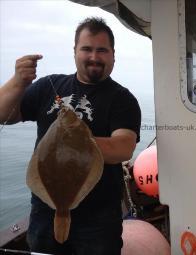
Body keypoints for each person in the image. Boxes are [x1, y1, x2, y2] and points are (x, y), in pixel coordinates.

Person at [0, 17, 141, 255]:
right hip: (44, 211)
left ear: (113, 54)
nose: (94, 57)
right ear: (75, 51)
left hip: (99, 218)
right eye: (86, 49)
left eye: (102, 50)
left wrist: (73, 139)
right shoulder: (49, 86)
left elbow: (123, 148)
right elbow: (3, 115)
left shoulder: (123, 100)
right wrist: (18, 82)